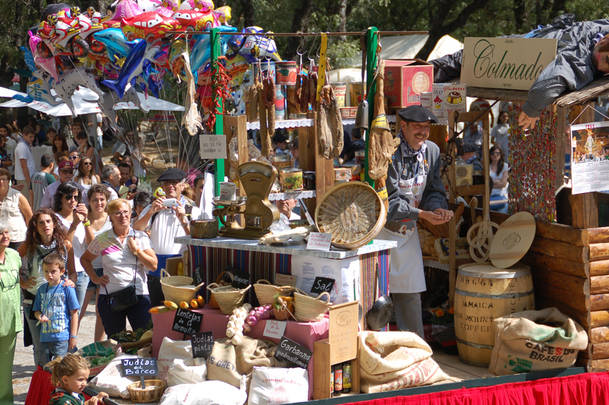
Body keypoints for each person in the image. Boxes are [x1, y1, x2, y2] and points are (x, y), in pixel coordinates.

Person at [430, 15, 609, 130]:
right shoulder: (580, 61)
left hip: (520, 46)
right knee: (457, 62)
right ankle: (414, 76)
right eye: (607, 60)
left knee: (459, 60)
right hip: (508, 53)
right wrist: (532, 110)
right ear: (601, 43)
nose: (605, 65)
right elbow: (545, 86)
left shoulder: (600, 30)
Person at [378, 105, 453, 338]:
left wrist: (438, 208)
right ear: (404, 127)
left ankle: (415, 349)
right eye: (417, 127)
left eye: (426, 127)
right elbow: (388, 202)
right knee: (377, 297)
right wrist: (422, 215)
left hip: (406, 231)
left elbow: (433, 189)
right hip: (380, 233)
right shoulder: (390, 153)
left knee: (411, 292)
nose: (423, 132)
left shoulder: (431, 151)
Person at [81, 199, 157, 336]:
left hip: (138, 295)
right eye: (117, 213)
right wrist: (95, 278)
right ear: (110, 217)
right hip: (110, 297)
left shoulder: (140, 236)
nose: (123, 216)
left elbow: (153, 265)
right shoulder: (103, 238)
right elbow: (85, 259)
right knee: (117, 342)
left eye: (125, 212)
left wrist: (137, 251)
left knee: (145, 340)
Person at [133, 168, 200, 306]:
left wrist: (183, 221)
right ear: (162, 187)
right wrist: (151, 212)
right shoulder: (154, 207)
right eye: (166, 183)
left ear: (183, 185)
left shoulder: (192, 210)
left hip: (181, 266)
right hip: (156, 269)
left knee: (180, 309)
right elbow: (136, 228)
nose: (170, 186)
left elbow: (197, 241)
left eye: (174, 182)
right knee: (157, 310)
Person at [19, 209, 75, 367]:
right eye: (41, 222)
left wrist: (71, 281)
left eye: (48, 221)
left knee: (60, 348)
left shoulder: (64, 245)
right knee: (40, 348)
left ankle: (59, 387)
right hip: (33, 300)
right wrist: (22, 282)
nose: (46, 225)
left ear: (54, 224)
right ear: (35, 226)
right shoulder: (28, 247)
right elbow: (10, 261)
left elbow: (73, 272)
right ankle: (43, 385)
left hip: (58, 301)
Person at [32, 253, 80, 363]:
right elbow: (36, 311)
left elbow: (74, 314)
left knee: (60, 367)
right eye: (46, 271)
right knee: (46, 367)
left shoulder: (67, 288)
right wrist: (40, 316)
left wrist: (73, 336)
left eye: (53, 271)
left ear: (62, 271)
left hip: (62, 337)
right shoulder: (41, 289)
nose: (49, 275)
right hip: (45, 337)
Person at [80, 185, 111, 342]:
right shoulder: (83, 218)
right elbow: (92, 244)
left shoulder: (111, 218)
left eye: (102, 199)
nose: (99, 203)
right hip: (85, 267)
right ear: (89, 201)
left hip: (105, 268)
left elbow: (101, 245)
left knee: (101, 311)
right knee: (78, 309)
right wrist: (85, 223)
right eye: (95, 200)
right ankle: (68, 347)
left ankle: (98, 346)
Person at [54, 182, 89, 310]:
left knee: (76, 313)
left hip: (82, 270)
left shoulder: (82, 217)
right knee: (62, 311)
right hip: (64, 271)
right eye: (68, 197)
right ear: (60, 198)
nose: (72, 201)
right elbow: (63, 246)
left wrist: (86, 221)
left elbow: (91, 243)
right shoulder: (55, 218)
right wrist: (74, 224)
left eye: (76, 197)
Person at [0, 227, 22, 404]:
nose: (5, 236)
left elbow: (25, 279)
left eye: (6, 232)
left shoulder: (14, 255)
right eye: (0, 233)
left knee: (5, 369)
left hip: (10, 322)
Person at [0, 167, 33, 249]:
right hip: (1, 240)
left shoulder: (18, 196)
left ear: (8, 181)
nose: (1, 182)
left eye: (3, 179)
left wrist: (30, 236)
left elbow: (29, 216)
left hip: (17, 239)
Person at [14, 125, 36, 202]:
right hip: (24, 179)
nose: (32, 139)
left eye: (33, 137)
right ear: (24, 135)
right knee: (27, 202)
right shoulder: (22, 147)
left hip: (26, 178)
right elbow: (24, 166)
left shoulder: (25, 145)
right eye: (30, 137)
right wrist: (29, 183)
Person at [489, 146, 509, 213]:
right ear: (490, 155)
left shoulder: (505, 166)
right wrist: (497, 182)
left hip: (500, 196)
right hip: (489, 195)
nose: (495, 155)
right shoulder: (487, 166)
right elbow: (485, 183)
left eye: (497, 153)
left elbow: (503, 184)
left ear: (501, 155)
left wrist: (491, 183)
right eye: (492, 153)